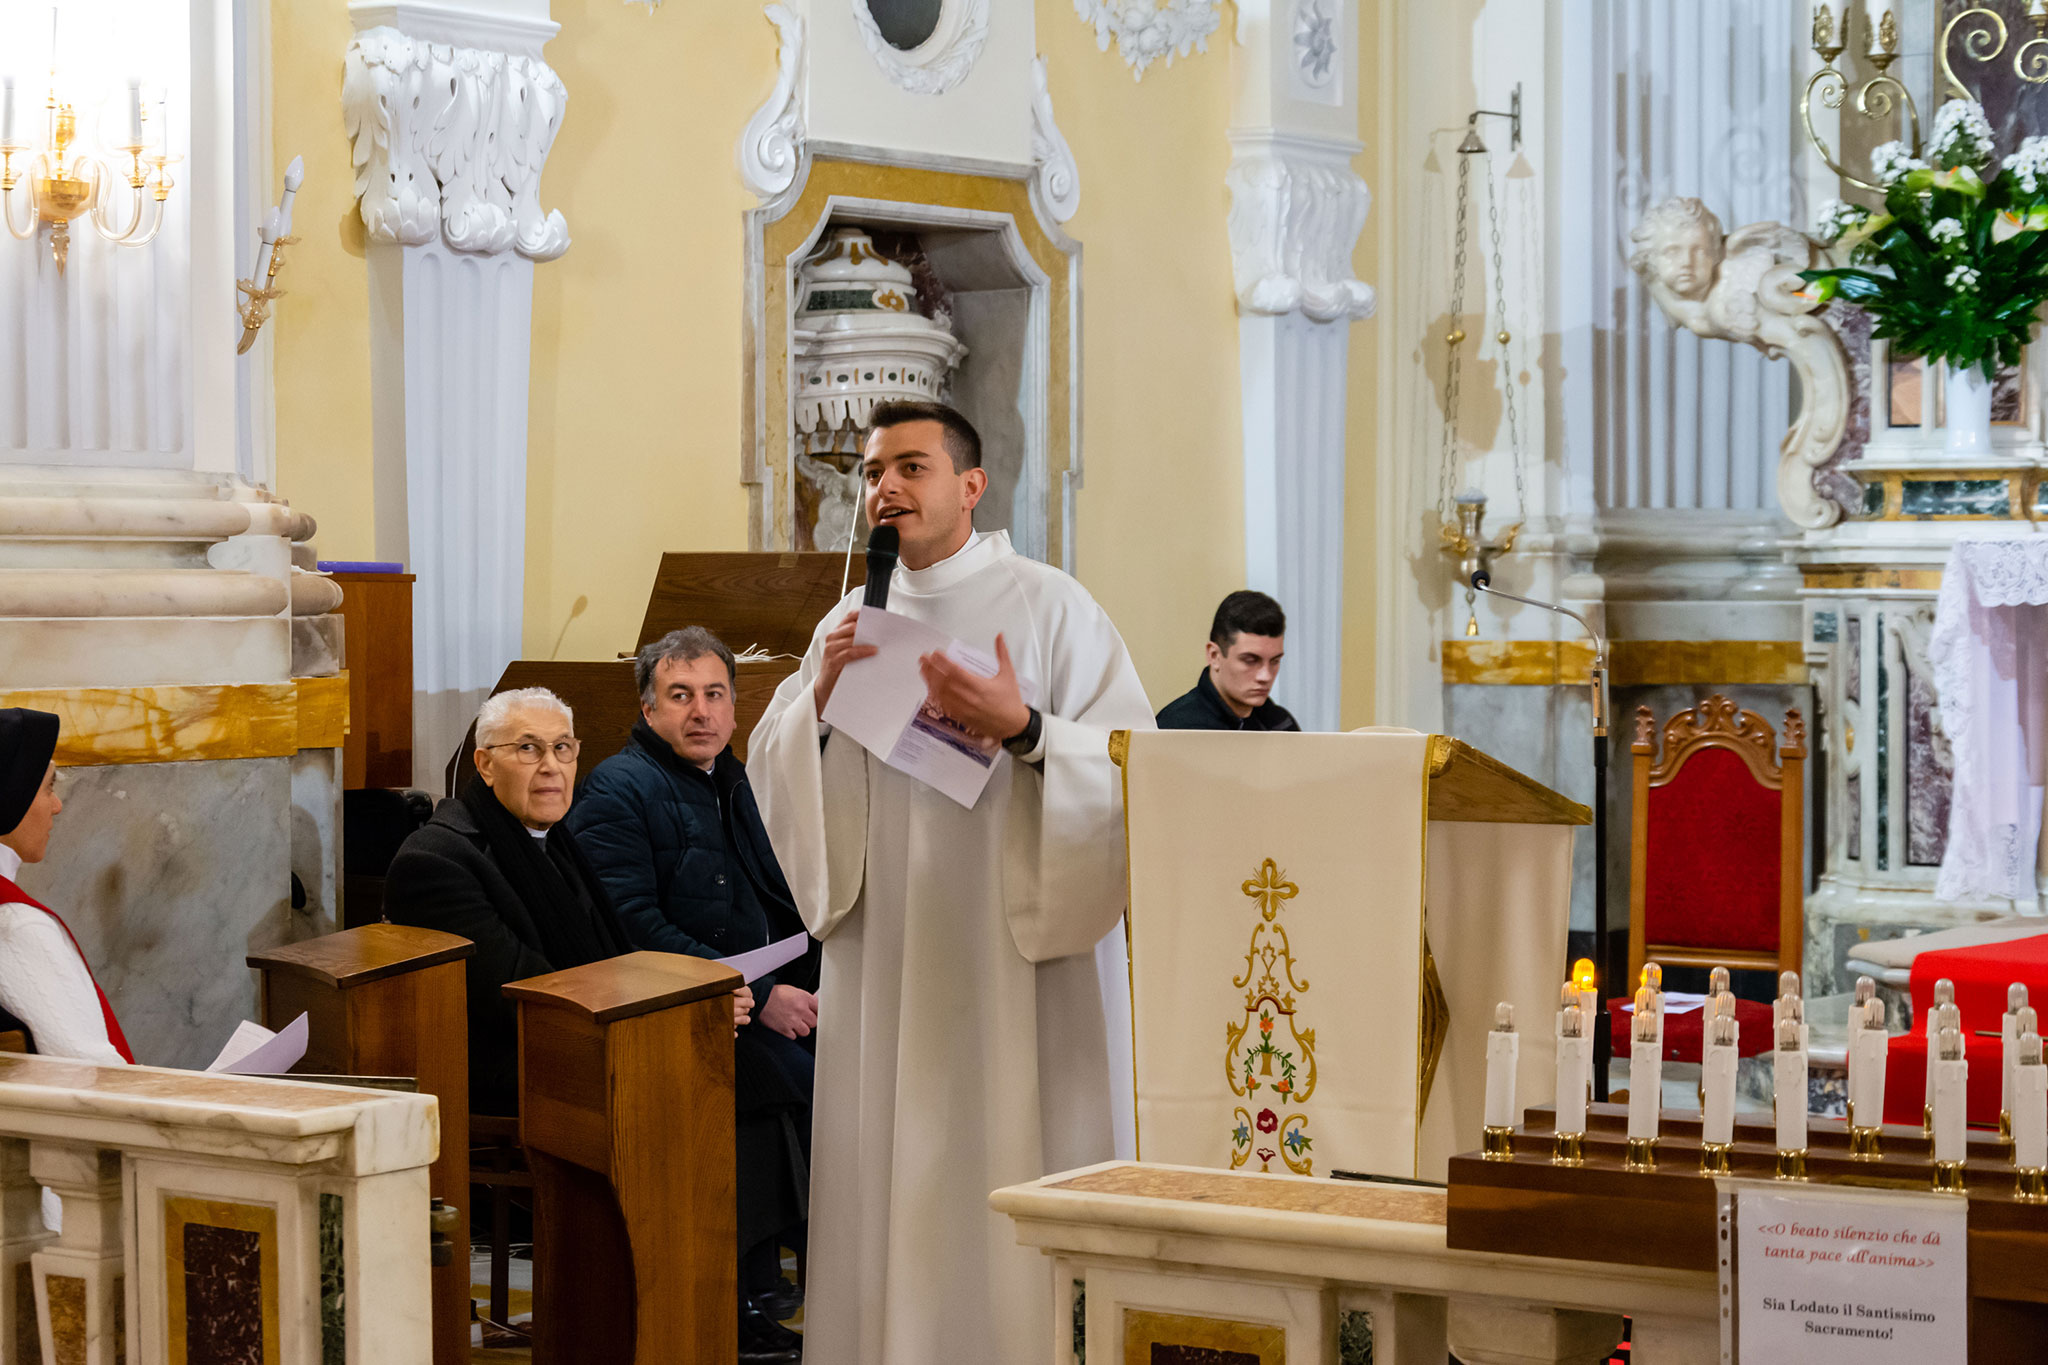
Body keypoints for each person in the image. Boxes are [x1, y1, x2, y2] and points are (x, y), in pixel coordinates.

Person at [749, 399, 1154, 1365]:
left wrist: (1030, 731)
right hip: (890, 945)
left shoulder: (1052, 606)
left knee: (1008, 1145)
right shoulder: (851, 618)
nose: (885, 487)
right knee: (895, 1164)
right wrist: (816, 705)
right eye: (873, 472)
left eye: (911, 467)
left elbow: (1137, 764)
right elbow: (772, 764)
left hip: (1011, 954)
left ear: (971, 485)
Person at [566, 627, 814, 1361]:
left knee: (859, 1069)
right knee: (789, 1082)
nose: (700, 711)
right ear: (648, 708)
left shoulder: (736, 780)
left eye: (714, 694)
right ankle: (739, 1296)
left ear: (736, 708)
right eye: (680, 696)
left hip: (748, 999)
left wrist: (822, 986)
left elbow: (783, 899)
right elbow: (631, 922)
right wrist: (759, 990)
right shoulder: (618, 788)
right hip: (675, 1010)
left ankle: (800, 1279)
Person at [384, 688, 746, 1118]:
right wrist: (682, 1014)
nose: (550, 766)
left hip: (575, 1041)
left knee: (761, 1071)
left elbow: (609, 957)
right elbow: (524, 994)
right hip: (514, 1072)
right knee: (726, 1085)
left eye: (562, 748)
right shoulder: (437, 860)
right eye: (528, 748)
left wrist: (701, 994)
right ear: (485, 764)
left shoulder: (554, 839)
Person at [0, 707, 135, 1066]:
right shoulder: (15, 924)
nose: (57, 806)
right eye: (49, 788)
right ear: (12, 796)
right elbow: (90, 1071)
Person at [1156, 590, 1301, 732]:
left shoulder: (1280, 723)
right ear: (1214, 656)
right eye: (1250, 660)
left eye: (1275, 661)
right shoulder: (1177, 730)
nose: (1266, 676)